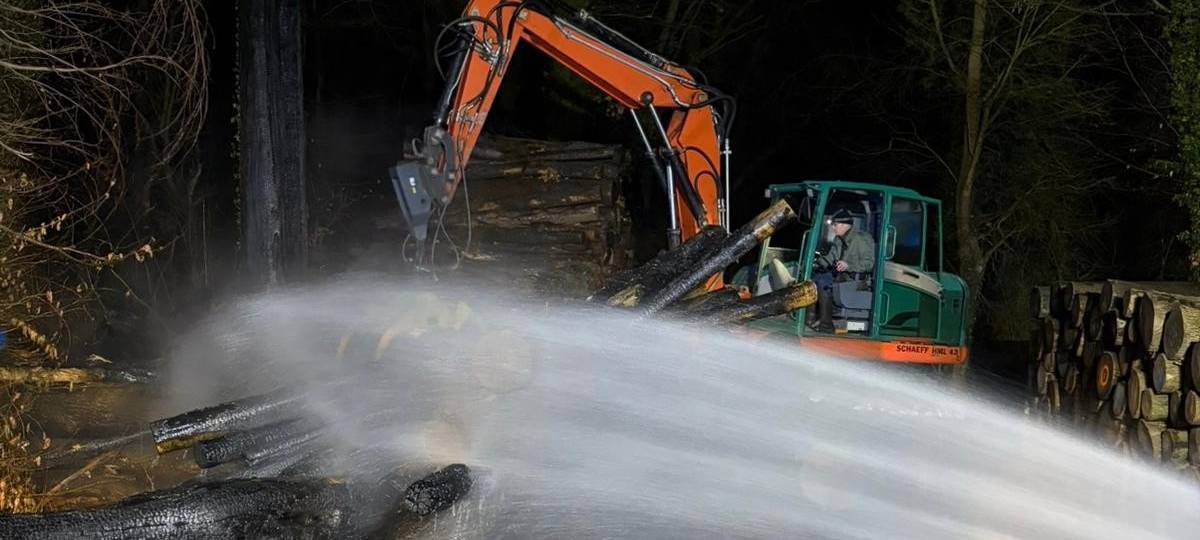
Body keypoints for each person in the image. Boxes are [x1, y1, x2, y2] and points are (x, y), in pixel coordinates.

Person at [809, 208, 876, 332]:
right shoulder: (838, 239)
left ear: (845, 225)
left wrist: (848, 265)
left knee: (823, 284)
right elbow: (831, 257)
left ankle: (826, 325)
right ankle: (809, 320)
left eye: (835, 225)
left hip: (856, 280)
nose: (833, 228)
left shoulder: (861, 239)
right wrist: (814, 263)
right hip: (842, 276)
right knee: (814, 279)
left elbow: (869, 264)